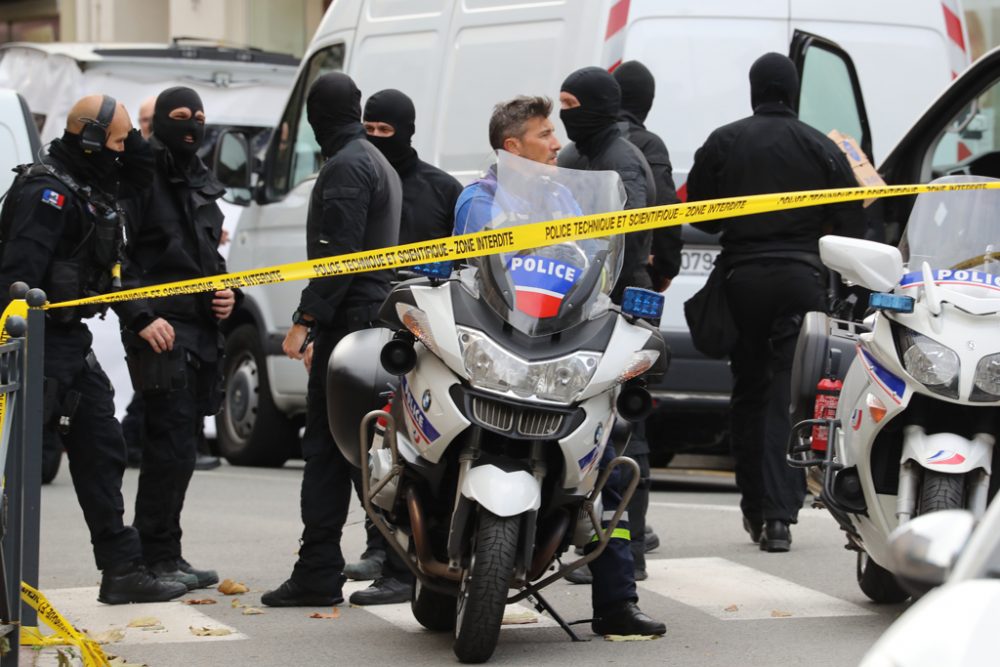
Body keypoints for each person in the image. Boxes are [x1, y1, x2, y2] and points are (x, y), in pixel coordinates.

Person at [454, 95, 665, 637]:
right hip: (494, 349)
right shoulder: (480, 201)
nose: (557, 144)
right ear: (513, 147)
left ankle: (616, 602)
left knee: (607, 459)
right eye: (545, 134)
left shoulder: (563, 198)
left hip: (558, 352)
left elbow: (592, 265)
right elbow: (471, 277)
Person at [0, 94, 187, 604]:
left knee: (102, 451)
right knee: (13, 473)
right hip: (33, 347)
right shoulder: (48, 194)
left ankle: (122, 570)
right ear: (88, 141)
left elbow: (108, 269)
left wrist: (141, 316)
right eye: (118, 141)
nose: (125, 151)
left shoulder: (85, 189)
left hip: (67, 345)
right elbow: (15, 284)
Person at [685, 53, 864, 552]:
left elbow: (703, 217)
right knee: (789, 394)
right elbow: (852, 223)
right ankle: (782, 515)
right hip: (802, 280)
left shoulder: (725, 140)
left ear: (754, 89)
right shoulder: (822, 146)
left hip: (742, 281)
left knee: (748, 390)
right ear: (792, 91)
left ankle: (754, 507)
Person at [261, 72, 401, 607]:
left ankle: (318, 568)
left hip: (350, 318)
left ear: (319, 113)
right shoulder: (375, 160)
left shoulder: (346, 166)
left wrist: (306, 321)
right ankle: (396, 559)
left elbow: (339, 257)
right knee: (366, 446)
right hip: (369, 317)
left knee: (327, 443)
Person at [114, 86, 235, 590]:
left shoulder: (201, 178)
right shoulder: (139, 180)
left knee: (182, 448)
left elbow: (207, 257)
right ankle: (151, 558)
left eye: (200, 118)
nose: (192, 126)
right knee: (166, 446)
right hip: (161, 331)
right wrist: (142, 317)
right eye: (181, 117)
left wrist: (230, 295)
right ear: (160, 121)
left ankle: (169, 552)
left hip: (200, 330)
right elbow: (117, 257)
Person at [344, 88, 462, 605]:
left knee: (418, 447)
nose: (373, 141)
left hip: (428, 342)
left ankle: (407, 562)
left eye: (384, 133)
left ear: (407, 131)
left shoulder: (441, 190)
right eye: (366, 130)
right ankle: (381, 543)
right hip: (374, 330)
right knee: (369, 441)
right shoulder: (359, 179)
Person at [556, 66, 657, 585]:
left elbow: (631, 240)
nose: (564, 116)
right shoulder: (571, 158)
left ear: (598, 104)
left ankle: (628, 549)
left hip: (619, 306)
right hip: (574, 305)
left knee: (623, 431)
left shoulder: (625, 161)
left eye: (572, 104)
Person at [611, 59, 684, 573]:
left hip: (573, 294)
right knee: (631, 416)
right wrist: (661, 272)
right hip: (629, 293)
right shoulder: (647, 147)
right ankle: (628, 543)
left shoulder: (575, 148)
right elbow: (666, 214)